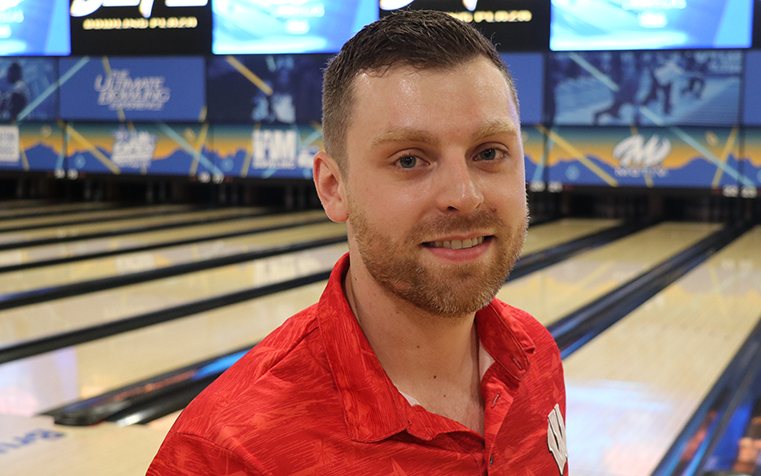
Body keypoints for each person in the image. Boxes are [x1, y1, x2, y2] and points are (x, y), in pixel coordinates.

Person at [147, 10, 568, 475]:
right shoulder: (228, 451)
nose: (463, 197)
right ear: (333, 187)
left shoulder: (537, 356)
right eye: (409, 160)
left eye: (490, 153)